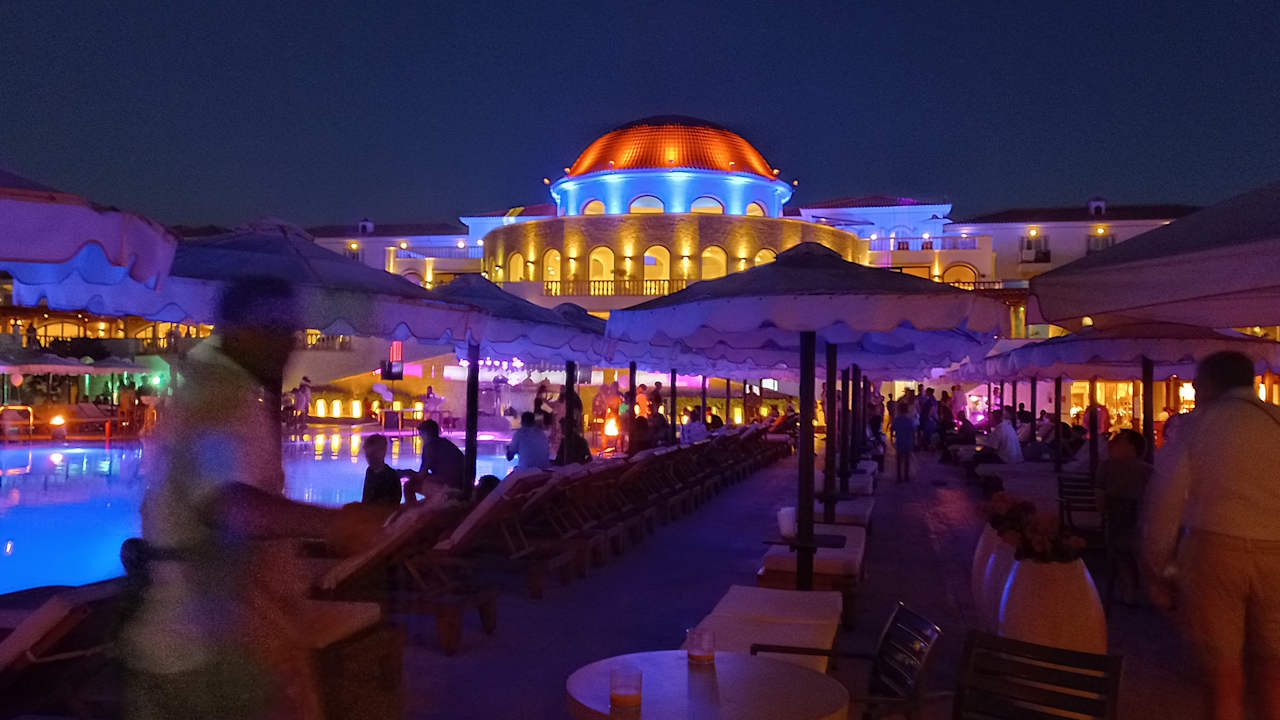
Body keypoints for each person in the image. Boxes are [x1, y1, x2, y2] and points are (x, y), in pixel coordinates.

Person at [121, 277, 383, 719]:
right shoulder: (217, 397)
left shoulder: (226, 391)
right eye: (275, 328)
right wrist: (332, 524)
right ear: (239, 329)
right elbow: (223, 503)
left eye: (291, 329)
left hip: (215, 637)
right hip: (205, 648)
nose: (289, 343)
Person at [1142, 352, 1280, 720]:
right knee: (1273, 670)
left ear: (1209, 383)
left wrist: (1157, 568)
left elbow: (1165, 501)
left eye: (1197, 384)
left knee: (1223, 676)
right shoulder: (1277, 420)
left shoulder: (1195, 425)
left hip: (1213, 550)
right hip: (1277, 552)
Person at [404, 419, 469, 502]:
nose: (421, 438)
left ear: (426, 434)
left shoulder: (430, 447)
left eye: (421, 435)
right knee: (427, 480)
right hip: (462, 484)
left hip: (451, 487)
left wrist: (406, 473)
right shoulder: (445, 443)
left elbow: (421, 475)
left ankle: (411, 508)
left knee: (409, 486)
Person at [360, 434, 403, 508]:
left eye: (373, 455)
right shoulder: (370, 471)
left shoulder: (391, 476)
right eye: (368, 456)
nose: (370, 459)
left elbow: (393, 504)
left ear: (382, 452)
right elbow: (366, 498)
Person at [890, 398, 917, 483]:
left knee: (899, 460)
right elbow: (913, 431)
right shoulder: (910, 420)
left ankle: (899, 477)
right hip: (908, 441)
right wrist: (914, 441)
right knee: (907, 459)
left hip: (900, 441)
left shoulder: (897, 419)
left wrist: (891, 439)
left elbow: (892, 429)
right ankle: (906, 476)